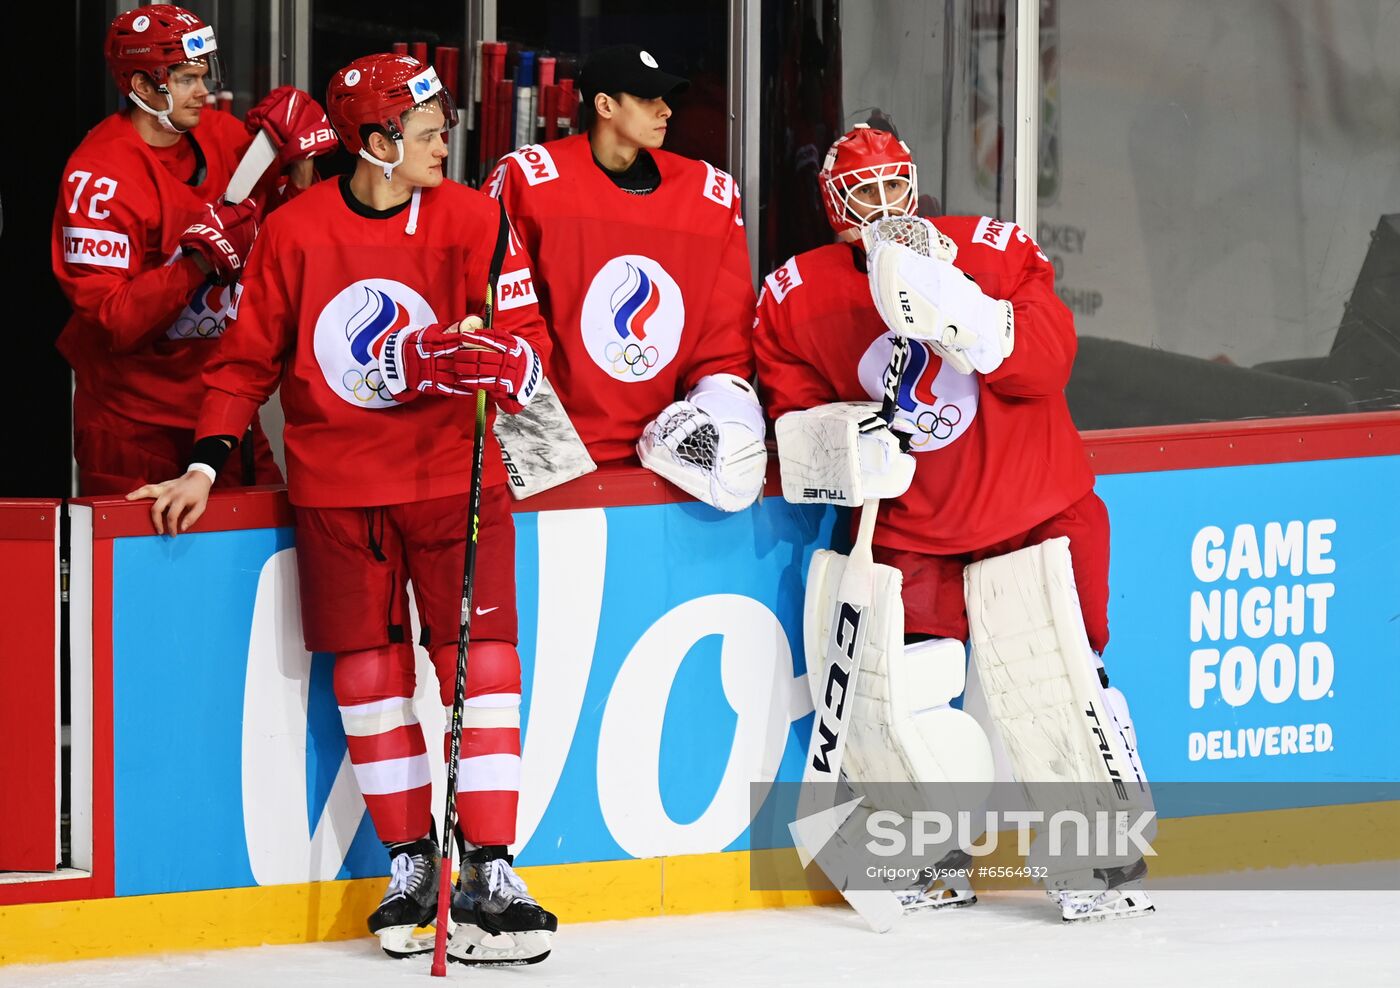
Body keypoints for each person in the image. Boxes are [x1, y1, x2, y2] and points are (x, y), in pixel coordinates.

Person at [127, 52, 557, 965]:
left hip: (453, 476)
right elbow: (244, 361)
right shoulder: (294, 230)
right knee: (366, 676)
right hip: (335, 491)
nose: (448, 143)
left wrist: (510, 366)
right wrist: (205, 465)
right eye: (430, 131)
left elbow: (525, 338)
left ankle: (488, 866)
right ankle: (411, 863)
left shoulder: (478, 219)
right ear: (375, 141)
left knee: (483, 665)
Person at [754, 124, 1154, 922]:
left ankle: (1097, 852)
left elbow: (1047, 362)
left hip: (1034, 506)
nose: (881, 206)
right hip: (913, 527)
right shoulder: (795, 296)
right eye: (860, 193)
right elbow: (793, 417)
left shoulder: (996, 252)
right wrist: (843, 441)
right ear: (832, 207)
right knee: (897, 695)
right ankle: (930, 852)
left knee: (1060, 678)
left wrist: (969, 315)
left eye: (893, 185)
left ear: (917, 185)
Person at [54, 4, 337, 495]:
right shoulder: (97, 178)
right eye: (186, 78)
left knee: (253, 551)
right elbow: (113, 321)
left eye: (204, 75)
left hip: (221, 408)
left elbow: (303, 242)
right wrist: (199, 263)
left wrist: (299, 163)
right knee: (138, 568)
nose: (204, 91)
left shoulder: (223, 136)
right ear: (142, 86)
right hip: (132, 421)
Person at [486, 44, 766, 512]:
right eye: (647, 98)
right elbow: (504, 323)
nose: (665, 110)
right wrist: (541, 450)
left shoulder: (709, 194)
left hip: (667, 456)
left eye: (667, 97)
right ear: (604, 105)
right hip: (554, 460)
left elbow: (725, 338)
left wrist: (721, 417)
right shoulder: (531, 179)